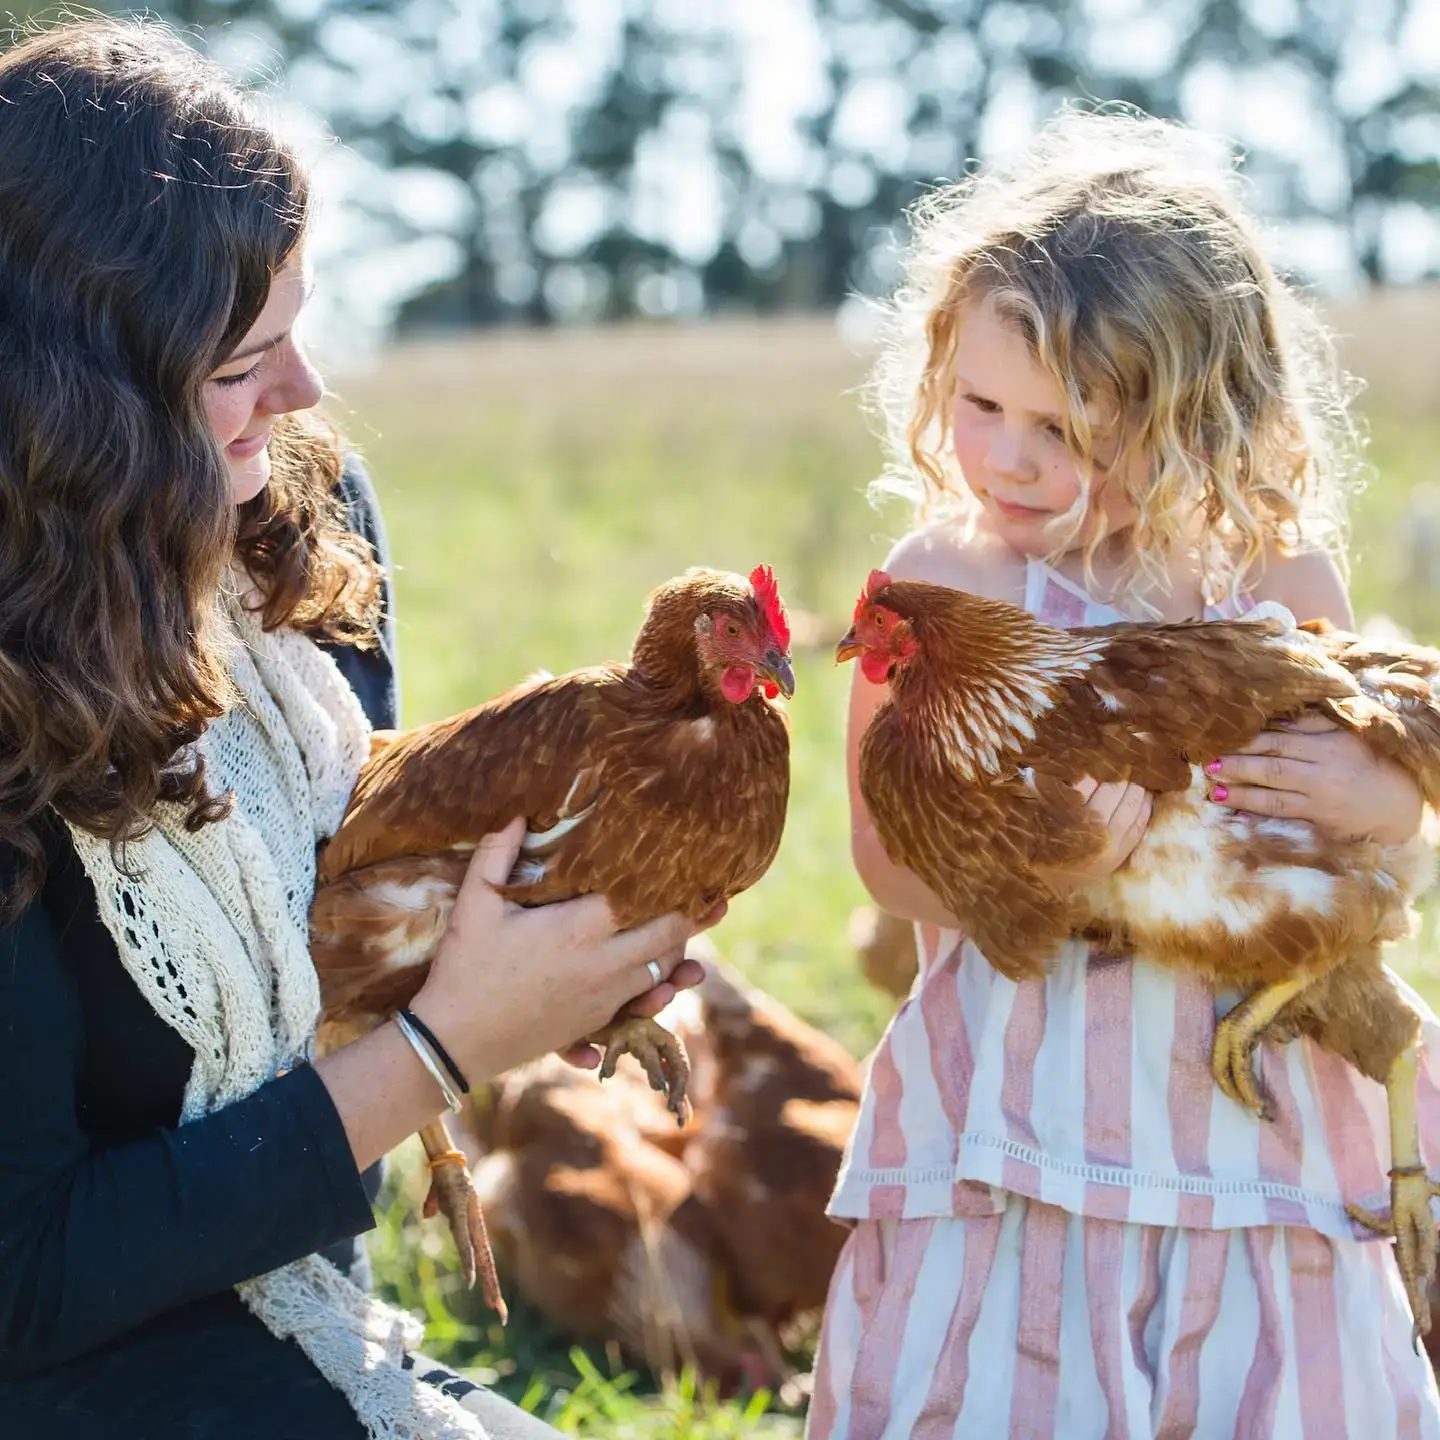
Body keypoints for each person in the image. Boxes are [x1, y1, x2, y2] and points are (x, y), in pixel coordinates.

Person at [0, 17, 713, 1440]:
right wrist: (442, 1050)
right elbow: (24, 1276)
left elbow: (337, 897)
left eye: (298, 325)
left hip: (285, 1298)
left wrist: (519, 954)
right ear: (80, 401)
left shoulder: (300, 527)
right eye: (239, 362)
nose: (305, 391)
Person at [810, 108, 1440, 1437]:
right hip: (1014, 1120)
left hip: (1244, 1129)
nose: (1010, 457)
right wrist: (1051, 872)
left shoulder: (1272, 580)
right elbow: (881, 858)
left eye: (1068, 426)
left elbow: (1372, 806)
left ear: (1194, 414)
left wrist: (1385, 804)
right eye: (982, 405)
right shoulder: (938, 587)